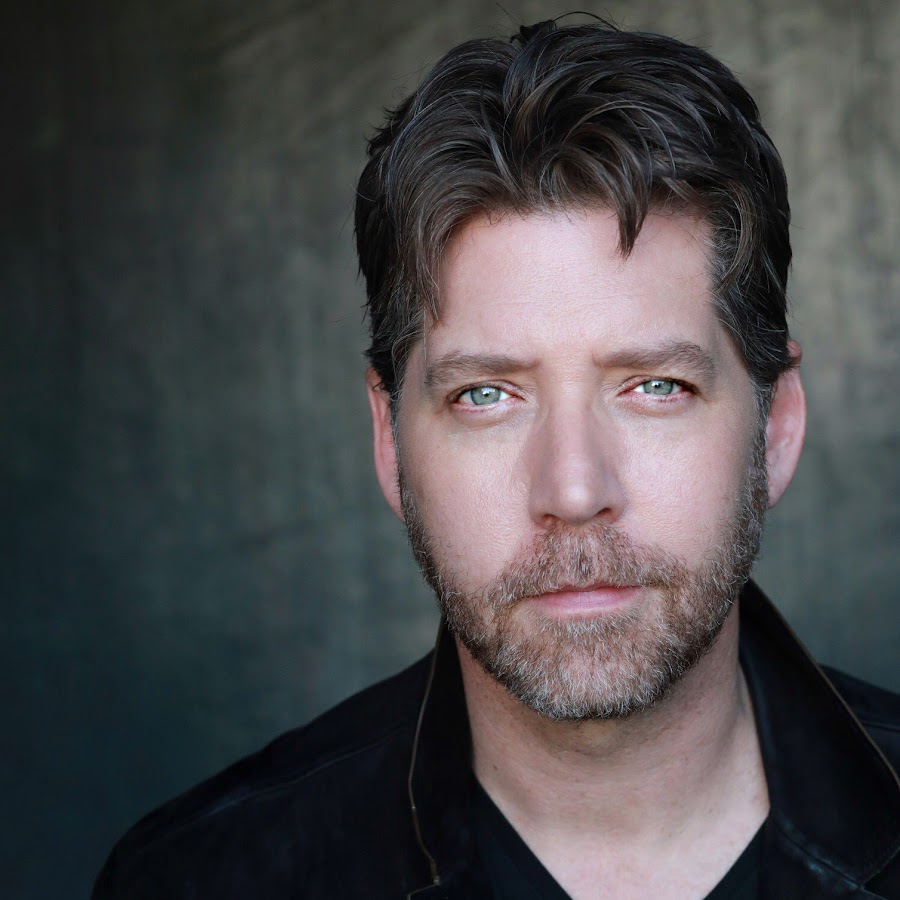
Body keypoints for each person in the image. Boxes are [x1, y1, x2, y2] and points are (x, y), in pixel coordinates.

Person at [93, 18, 900, 899]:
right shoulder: (196, 882)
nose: (574, 489)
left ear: (776, 425)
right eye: (487, 395)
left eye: (654, 386)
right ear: (389, 439)